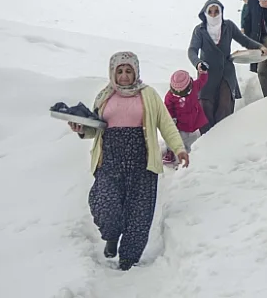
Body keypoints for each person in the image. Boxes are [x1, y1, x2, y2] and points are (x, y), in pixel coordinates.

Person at [67, 51, 189, 271]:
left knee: (139, 214)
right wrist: (81, 129)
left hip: (142, 162)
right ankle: (111, 235)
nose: (124, 76)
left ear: (136, 72)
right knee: (104, 203)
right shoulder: (105, 96)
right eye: (120, 71)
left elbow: (166, 123)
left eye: (128, 71)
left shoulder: (148, 95)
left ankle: (128, 259)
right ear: (113, 73)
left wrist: (179, 148)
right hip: (110, 161)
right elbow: (93, 126)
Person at [188, 0, 267, 132]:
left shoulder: (228, 26)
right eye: (210, 12)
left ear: (221, 12)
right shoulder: (199, 30)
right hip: (206, 74)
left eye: (216, 11)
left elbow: (244, 40)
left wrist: (259, 47)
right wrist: (198, 63)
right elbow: (192, 50)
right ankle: (206, 143)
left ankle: (223, 139)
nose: (213, 14)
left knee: (225, 105)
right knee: (205, 106)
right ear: (205, 13)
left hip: (226, 72)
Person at [162, 68, 209, 166]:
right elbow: (167, 109)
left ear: (188, 86)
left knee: (191, 142)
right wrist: (171, 119)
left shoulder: (194, 87)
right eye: (176, 91)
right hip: (180, 124)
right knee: (175, 140)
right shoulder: (170, 97)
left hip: (194, 121)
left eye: (181, 92)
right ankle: (173, 155)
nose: (178, 94)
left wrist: (203, 73)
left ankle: (189, 160)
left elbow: (202, 81)